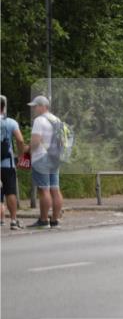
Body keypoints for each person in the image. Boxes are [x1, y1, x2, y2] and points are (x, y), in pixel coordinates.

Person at [27, 95, 63, 229]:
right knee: (55, 189)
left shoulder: (39, 121)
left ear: (43, 106)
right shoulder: (57, 120)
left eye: (36, 106)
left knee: (44, 190)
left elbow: (36, 141)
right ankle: (54, 220)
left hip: (41, 157)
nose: (34, 109)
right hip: (55, 157)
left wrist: (28, 149)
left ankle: (43, 220)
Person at [1, 95, 26, 229]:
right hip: (7, 163)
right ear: (4, 107)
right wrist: (20, 156)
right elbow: (20, 140)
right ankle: (13, 220)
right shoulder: (11, 122)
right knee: (10, 192)